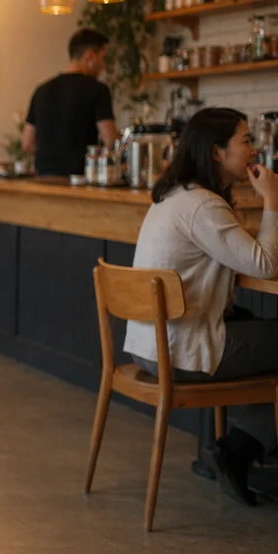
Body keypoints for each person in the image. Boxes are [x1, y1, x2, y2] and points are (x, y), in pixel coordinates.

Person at [124, 107, 278, 507]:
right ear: (216, 152)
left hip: (152, 345)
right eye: (246, 140)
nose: (254, 148)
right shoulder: (203, 205)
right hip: (179, 352)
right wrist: (272, 199)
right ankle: (239, 451)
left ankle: (241, 450)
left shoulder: (177, 196)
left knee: (263, 335)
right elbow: (266, 264)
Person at [21, 28, 119, 176]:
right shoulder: (98, 90)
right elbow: (110, 139)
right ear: (89, 56)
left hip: (43, 179)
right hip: (80, 179)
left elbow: (28, 144)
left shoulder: (41, 90)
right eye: (102, 57)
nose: (103, 66)